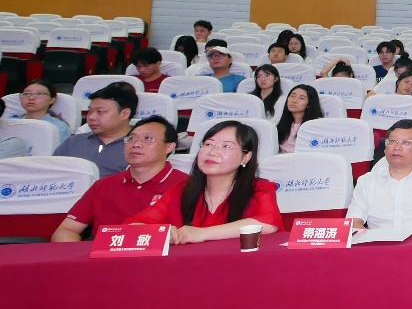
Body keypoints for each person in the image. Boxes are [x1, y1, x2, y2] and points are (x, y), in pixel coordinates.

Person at [125, 120, 281, 243]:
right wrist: (162, 232)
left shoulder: (259, 188)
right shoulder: (182, 190)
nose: (213, 152)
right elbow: (134, 225)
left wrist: (202, 234)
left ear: (246, 157)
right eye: (208, 144)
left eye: (226, 146)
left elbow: (268, 224)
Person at [51, 117, 187, 241]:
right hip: (102, 257)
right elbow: (66, 230)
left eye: (148, 138)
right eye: (131, 138)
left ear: (169, 147)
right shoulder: (104, 185)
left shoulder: (186, 185)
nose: (136, 144)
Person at [347, 120, 412, 231]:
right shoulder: (366, 181)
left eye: (406, 143)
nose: (397, 147)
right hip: (376, 241)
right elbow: (353, 223)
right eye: (392, 141)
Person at [52, 83, 136, 177]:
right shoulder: (74, 142)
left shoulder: (140, 146)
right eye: (90, 111)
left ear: (125, 114)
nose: (91, 117)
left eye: (100, 112)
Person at [276, 84, 323, 153]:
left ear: (309, 104)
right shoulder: (281, 123)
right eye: (292, 96)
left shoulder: (318, 125)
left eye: (301, 98)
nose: (294, 101)